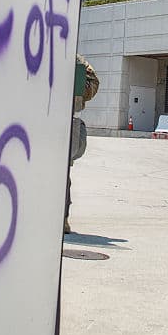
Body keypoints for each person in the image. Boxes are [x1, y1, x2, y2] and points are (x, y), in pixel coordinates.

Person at [66, 54, 99, 234]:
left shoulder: (76, 59)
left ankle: (61, 218)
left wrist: (75, 85)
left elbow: (93, 85)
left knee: (61, 176)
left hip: (65, 121)